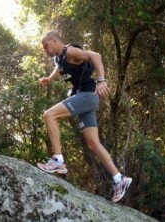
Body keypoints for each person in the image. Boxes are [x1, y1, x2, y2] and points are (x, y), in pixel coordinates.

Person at [37, 31, 132, 202]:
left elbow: (95, 55)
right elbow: (59, 69)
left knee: (49, 115)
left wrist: (102, 80)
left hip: (88, 95)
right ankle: (119, 179)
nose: (44, 49)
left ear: (55, 41)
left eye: (45, 45)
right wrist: (49, 80)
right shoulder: (58, 58)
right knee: (93, 144)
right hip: (85, 99)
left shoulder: (70, 51)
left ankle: (58, 160)